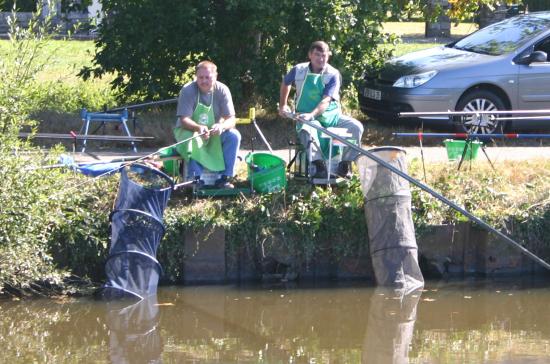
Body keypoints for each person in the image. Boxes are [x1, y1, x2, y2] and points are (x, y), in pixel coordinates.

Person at [278, 41, 364, 178]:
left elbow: (326, 100)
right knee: (307, 128)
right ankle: (318, 166)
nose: (321, 59)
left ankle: (345, 165)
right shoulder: (299, 69)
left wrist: (312, 114)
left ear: (328, 56)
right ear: (310, 55)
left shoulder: (333, 74)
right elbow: (286, 82)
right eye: (317, 55)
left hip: (331, 117)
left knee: (356, 127)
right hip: (305, 116)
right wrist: (282, 104)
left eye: (324, 55)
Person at [174, 60, 241, 189]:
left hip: (213, 132)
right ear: (196, 77)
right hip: (188, 130)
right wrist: (198, 128)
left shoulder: (223, 90)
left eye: (208, 77)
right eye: (200, 77)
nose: (204, 81)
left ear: (215, 76)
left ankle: (224, 178)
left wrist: (221, 126)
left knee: (234, 136)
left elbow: (231, 119)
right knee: (194, 139)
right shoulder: (188, 90)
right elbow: (184, 119)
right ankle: (194, 179)